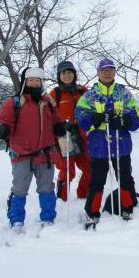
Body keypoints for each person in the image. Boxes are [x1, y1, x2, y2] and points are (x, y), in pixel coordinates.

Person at [75, 58, 139, 227]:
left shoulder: (123, 93)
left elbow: (137, 118)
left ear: (114, 72)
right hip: (98, 146)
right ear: (98, 73)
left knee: (125, 178)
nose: (107, 73)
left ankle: (127, 208)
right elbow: (80, 117)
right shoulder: (90, 95)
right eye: (104, 70)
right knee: (97, 181)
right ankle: (92, 212)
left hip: (121, 145)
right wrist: (93, 118)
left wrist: (125, 120)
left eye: (110, 70)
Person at [0, 67, 62, 233]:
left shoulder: (48, 102)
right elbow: (5, 120)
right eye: (31, 80)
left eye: (37, 80)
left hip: (45, 154)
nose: (34, 82)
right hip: (22, 154)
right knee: (19, 189)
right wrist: (3, 129)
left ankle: (48, 218)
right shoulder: (15, 102)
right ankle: (16, 220)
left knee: (46, 188)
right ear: (25, 82)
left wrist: (61, 127)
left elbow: (56, 121)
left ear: (42, 82)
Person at [50, 60, 91, 202]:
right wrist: (58, 126)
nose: (67, 75)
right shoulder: (55, 94)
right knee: (67, 170)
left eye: (69, 72)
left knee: (89, 167)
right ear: (59, 76)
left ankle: (83, 195)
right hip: (65, 136)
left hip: (83, 134)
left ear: (74, 74)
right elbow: (48, 115)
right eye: (63, 73)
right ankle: (61, 199)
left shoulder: (83, 91)